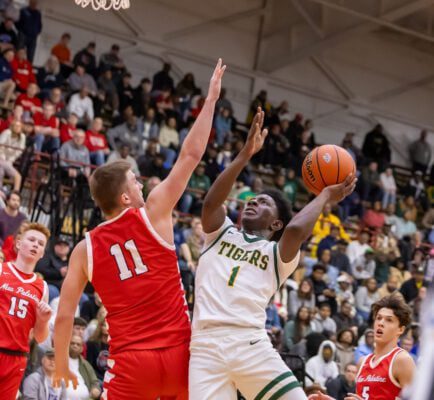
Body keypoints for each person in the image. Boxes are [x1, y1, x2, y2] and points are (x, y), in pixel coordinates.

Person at [53, 59, 226, 399]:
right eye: (135, 181)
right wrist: (210, 102)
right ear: (124, 197)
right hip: (180, 353)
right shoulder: (154, 212)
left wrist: (60, 363)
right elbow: (190, 155)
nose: (141, 183)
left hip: (132, 363)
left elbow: (64, 314)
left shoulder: (84, 249)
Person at [189, 107, 356, 399]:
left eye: (263, 203)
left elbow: (294, 232)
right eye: (252, 199)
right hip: (205, 347)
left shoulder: (277, 254)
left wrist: (325, 196)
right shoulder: (220, 233)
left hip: (249, 343)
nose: (253, 201)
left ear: (276, 222)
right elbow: (210, 205)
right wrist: (244, 155)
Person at [309, 294, 416, 400]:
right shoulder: (362, 362)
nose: (381, 323)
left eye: (389, 320)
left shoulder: (402, 360)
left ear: (400, 330)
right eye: (378, 318)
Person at [0, 222, 52, 400]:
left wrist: (43, 320)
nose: (36, 244)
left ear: (43, 253)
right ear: (19, 243)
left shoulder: (42, 287)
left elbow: (39, 337)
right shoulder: (1, 270)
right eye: (31, 240)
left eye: (40, 243)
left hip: (17, 358)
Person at [67, 335, 101, 399]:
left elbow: (94, 382)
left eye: (78, 344)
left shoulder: (85, 364)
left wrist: (95, 389)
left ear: (82, 349)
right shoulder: (58, 359)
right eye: (72, 343)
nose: (75, 346)